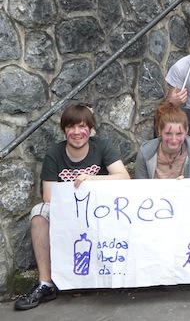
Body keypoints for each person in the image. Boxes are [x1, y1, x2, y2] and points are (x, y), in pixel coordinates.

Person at [14, 104, 130, 311]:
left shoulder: (101, 146)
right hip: (67, 213)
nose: (77, 132)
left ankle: (121, 274)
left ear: (90, 129)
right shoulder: (55, 153)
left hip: (100, 211)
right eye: (71, 127)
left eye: (82, 126)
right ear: (64, 130)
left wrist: (91, 180)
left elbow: (124, 177)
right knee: (39, 213)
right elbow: (49, 197)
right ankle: (45, 283)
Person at [135, 102, 190, 179]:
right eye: (168, 134)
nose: (174, 140)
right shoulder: (145, 152)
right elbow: (141, 185)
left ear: (186, 131)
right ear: (160, 131)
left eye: (179, 134)